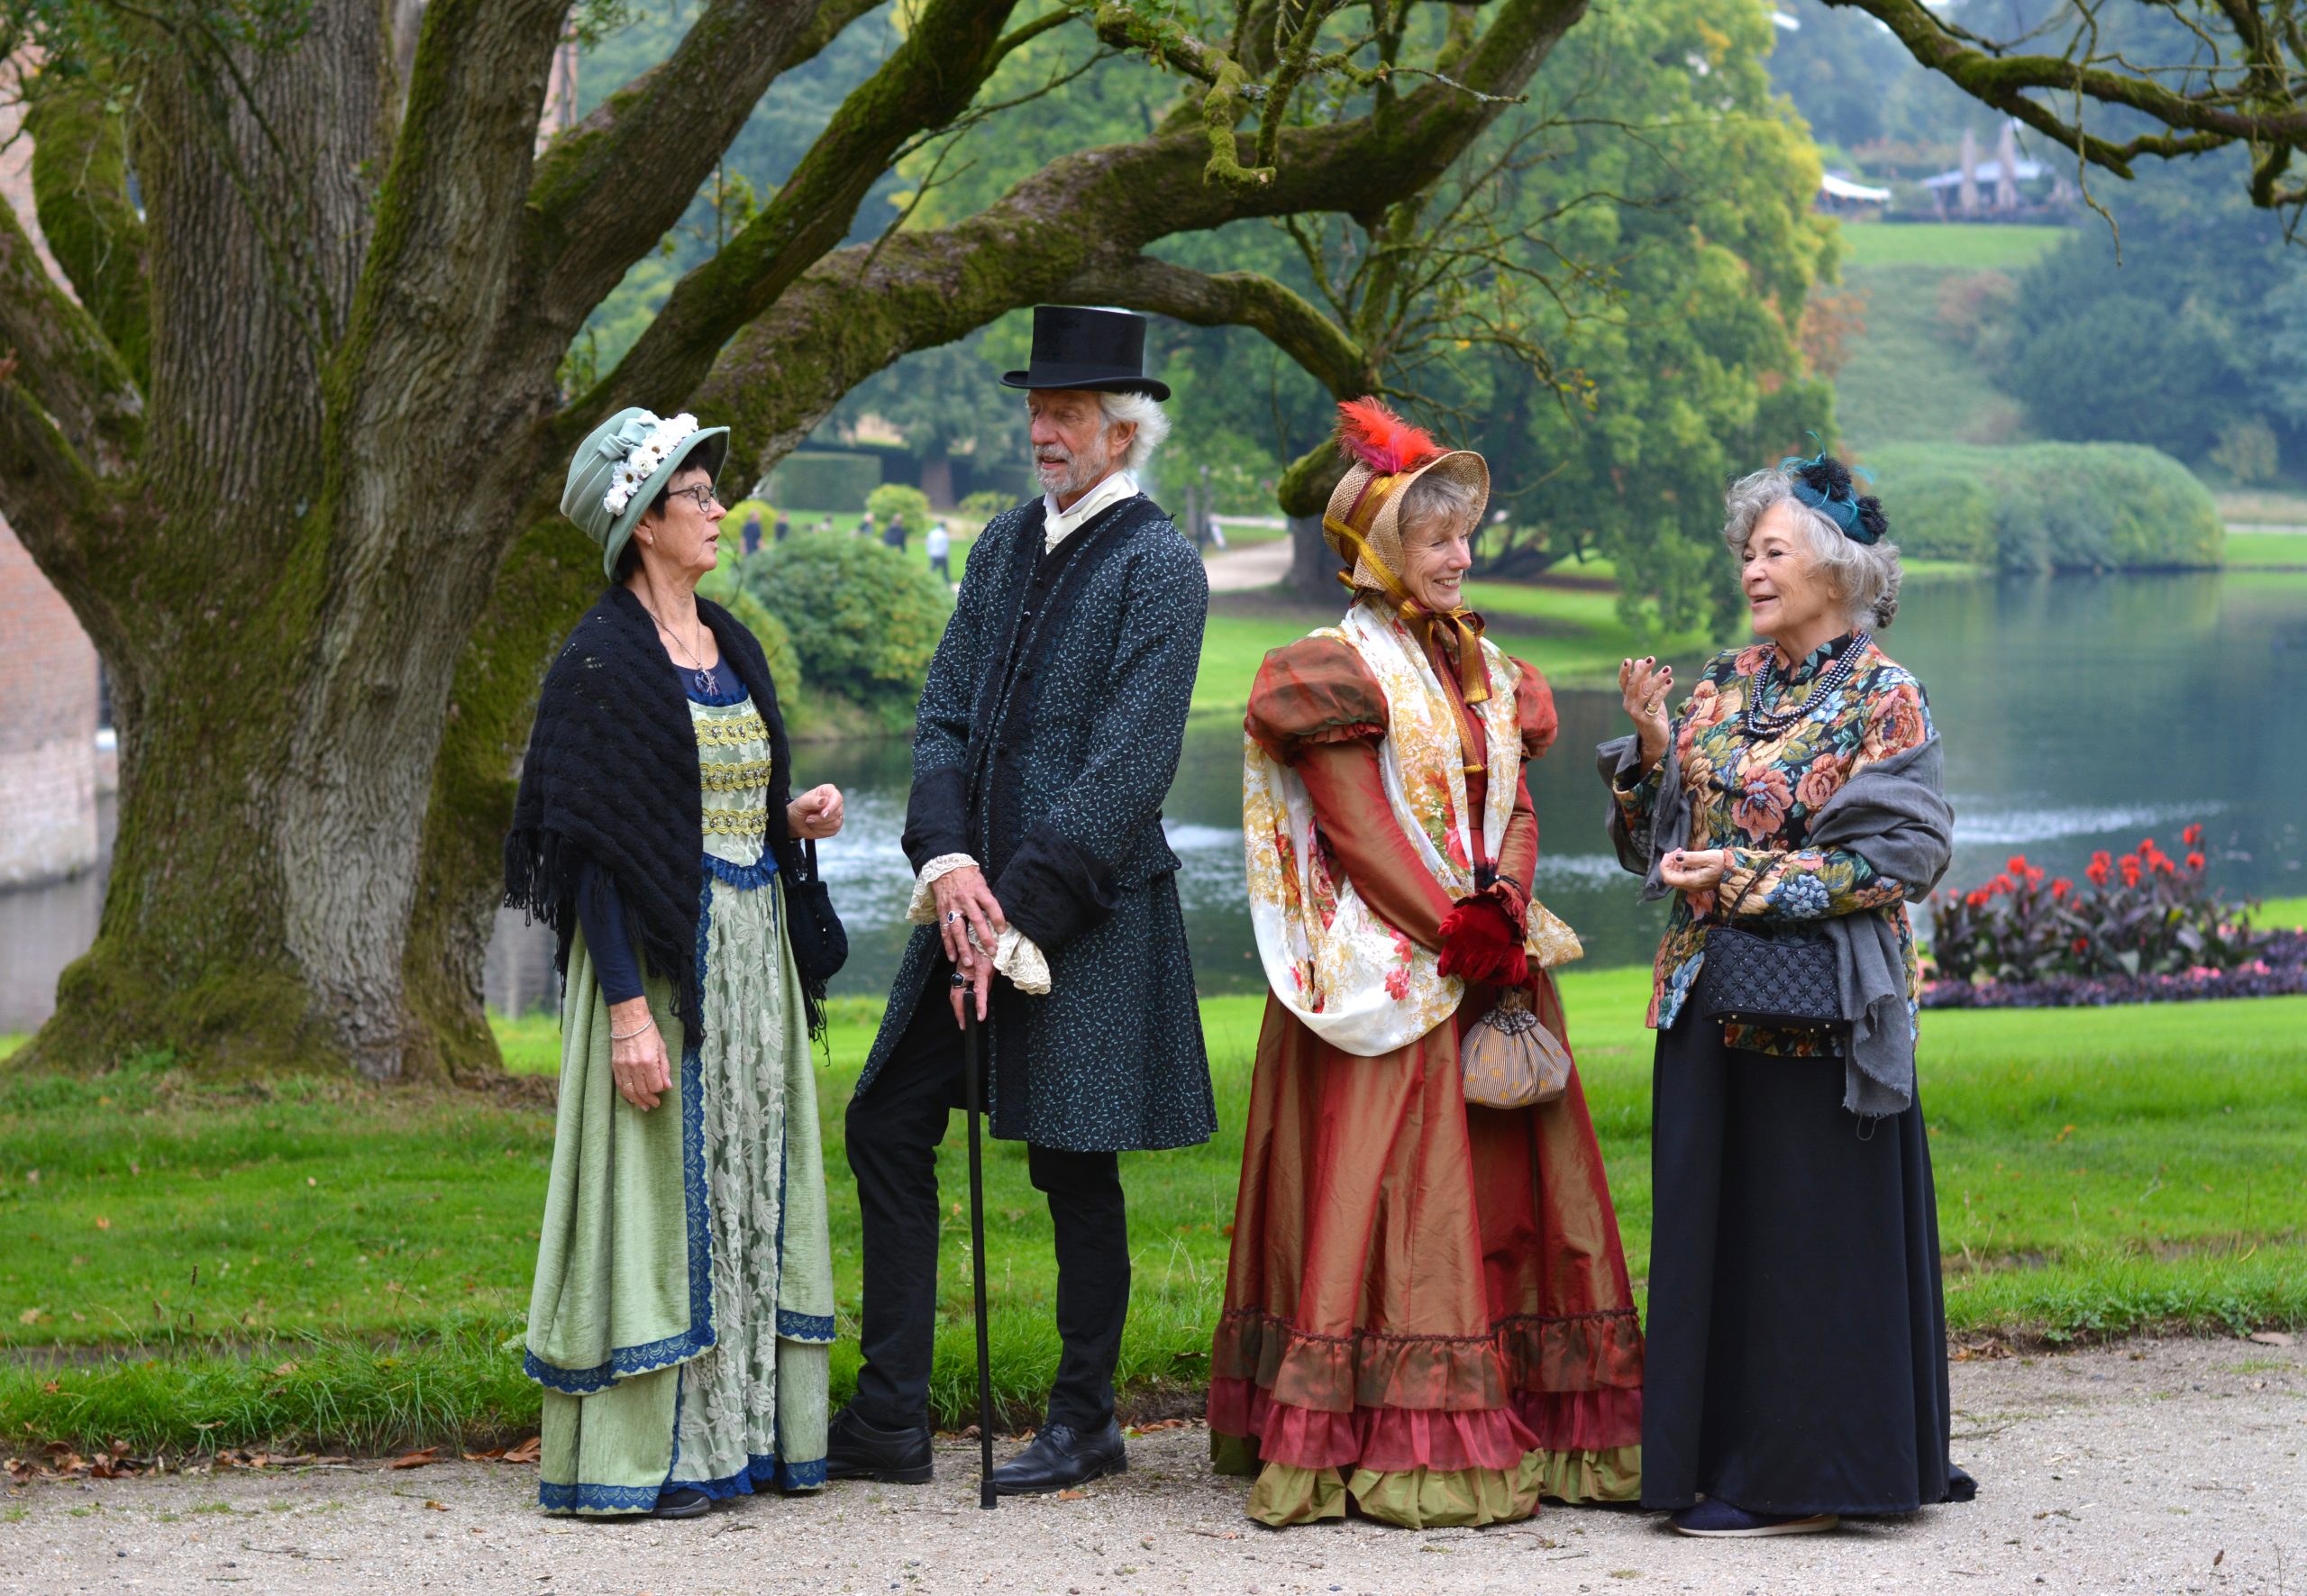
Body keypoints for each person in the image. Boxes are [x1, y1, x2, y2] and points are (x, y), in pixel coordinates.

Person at [1214, 397, 1644, 1529]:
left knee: (1516, 1200)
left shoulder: (1490, 670)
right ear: (1377, 552)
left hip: (1488, 951)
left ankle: (1527, 1416)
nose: (1459, 556)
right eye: (1436, 539)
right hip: (1387, 972)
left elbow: (1513, 805)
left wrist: (1504, 904)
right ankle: (1383, 1436)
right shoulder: (1333, 669)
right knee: (1408, 1205)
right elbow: (1358, 829)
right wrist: (1459, 929)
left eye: (1464, 536)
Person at [829, 306, 1214, 1496]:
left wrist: (1012, 917)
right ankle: (891, 1414)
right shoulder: (1002, 542)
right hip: (967, 902)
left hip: (1082, 913)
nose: (1043, 432)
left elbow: (1128, 770)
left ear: (1122, 432)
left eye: (1067, 415)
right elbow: (944, 711)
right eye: (1038, 412)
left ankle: (1086, 1417)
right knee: (886, 1118)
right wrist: (947, 862)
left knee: (1072, 1164)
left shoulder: (1162, 566)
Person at [1599, 450, 1969, 1538]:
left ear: (1836, 568)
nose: (1751, 571)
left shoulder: (1887, 696)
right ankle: (1711, 1457)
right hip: (1706, 995)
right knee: (1716, 1232)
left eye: (1773, 552)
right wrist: (1652, 754)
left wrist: (1747, 878)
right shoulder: (1723, 683)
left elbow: (1902, 858)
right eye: (1746, 553)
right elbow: (1651, 844)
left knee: (1809, 1238)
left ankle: (1809, 1479)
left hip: (1825, 1010)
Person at [506, 407, 847, 1519]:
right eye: (698, 495)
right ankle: (646, 1457)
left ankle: (742, 1438)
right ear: (643, 524)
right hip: (658, 966)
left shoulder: (729, 641)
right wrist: (625, 1012)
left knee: (747, 1186)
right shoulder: (602, 661)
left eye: (711, 492)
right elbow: (594, 855)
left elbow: (711, 800)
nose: (718, 509)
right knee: (663, 1203)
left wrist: (787, 817)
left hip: (753, 964)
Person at [926, 518, 952, 583]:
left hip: (933, 553)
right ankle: (948, 583)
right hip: (941, 555)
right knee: (945, 571)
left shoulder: (932, 533)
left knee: (932, 569)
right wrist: (947, 555)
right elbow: (945, 546)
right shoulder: (944, 534)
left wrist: (929, 552)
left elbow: (928, 543)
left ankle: (927, 580)